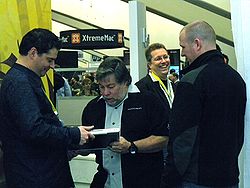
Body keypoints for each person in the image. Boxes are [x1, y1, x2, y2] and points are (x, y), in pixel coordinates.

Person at [0, 28, 94, 188]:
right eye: (49, 60)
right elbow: (34, 129)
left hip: (36, 173)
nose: (52, 66)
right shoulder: (20, 83)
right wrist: (73, 134)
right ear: (33, 52)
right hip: (36, 176)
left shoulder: (22, 79)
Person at [161, 20, 246, 188]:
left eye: (183, 47)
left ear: (197, 44)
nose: (183, 54)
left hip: (195, 179)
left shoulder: (191, 81)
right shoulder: (237, 79)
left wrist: (170, 178)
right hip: (228, 176)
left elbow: (182, 138)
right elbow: (238, 131)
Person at [81, 57, 169, 188]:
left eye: (111, 87)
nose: (105, 93)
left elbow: (164, 138)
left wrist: (132, 146)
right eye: (101, 87)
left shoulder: (148, 102)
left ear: (126, 82)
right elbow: (88, 146)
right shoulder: (93, 108)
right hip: (105, 181)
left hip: (143, 180)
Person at [135, 43, 174, 165]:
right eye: (158, 59)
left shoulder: (174, 85)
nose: (164, 61)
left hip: (173, 145)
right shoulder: (141, 88)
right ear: (149, 65)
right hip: (155, 149)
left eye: (165, 57)